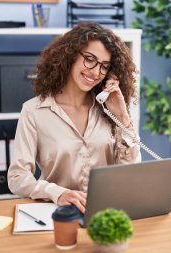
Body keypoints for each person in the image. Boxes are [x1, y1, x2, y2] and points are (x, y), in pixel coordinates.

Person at [8, 22, 141, 213]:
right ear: (70, 55)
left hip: (107, 211)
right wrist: (58, 193)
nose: (95, 72)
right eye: (89, 59)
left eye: (104, 66)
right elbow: (17, 177)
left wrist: (122, 117)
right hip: (59, 213)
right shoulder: (34, 111)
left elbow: (131, 172)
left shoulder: (109, 110)